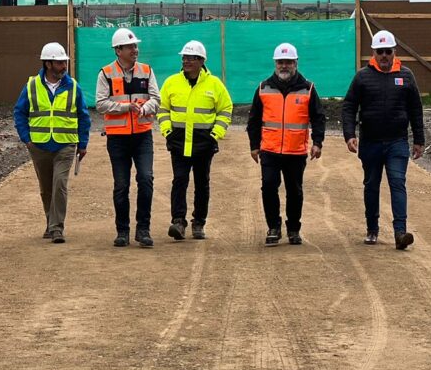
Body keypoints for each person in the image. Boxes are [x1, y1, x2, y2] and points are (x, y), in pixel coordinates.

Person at [342, 29, 425, 250]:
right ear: (374, 53)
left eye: (388, 51)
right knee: (371, 185)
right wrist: (349, 135)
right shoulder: (362, 77)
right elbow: (349, 106)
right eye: (380, 52)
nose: (384, 56)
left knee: (397, 182)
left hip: (397, 141)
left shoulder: (406, 76)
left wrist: (419, 139)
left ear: (394, 52)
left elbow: (416, 109)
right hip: (370, 142)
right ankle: (372, 228)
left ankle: (400, 232)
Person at [246, 42, 327, 246]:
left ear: (296, 63)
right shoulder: (263, 88)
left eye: (288, 62)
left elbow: (318, 117)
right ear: (275, 63)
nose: (284, 66)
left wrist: (318, 142)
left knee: (294, 191)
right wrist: (254, 145)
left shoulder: (308, 88)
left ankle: (293, 229)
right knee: (269, 187)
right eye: (281, 62)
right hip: (270, 150)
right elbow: (254, 119)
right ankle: (273, 227)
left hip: (295, 151)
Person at [13, 42, 91, 243]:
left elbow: (83, 116)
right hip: (39, 146)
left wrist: (83, 143)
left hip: (65, 145)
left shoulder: (73, 86)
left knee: (59, 185)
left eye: (64, 62)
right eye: (59, 63)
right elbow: (19, 112)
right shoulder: (32, 86)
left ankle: (57, 228)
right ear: (48, 64)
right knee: (46, 188)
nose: (64, 66)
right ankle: (50, 222)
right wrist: (27, 139)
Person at [157, 40, 233, 241]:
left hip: (203, 144)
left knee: (202, 183)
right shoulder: (171, 83)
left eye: (191, 58)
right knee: (179, 181)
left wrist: (215, 135)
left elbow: (225, 110)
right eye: (184, 57)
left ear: (201, 61)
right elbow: (163, 108)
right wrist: (167, 132)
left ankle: (199, 223)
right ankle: (178, 222)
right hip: (179, 142)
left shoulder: (214, 84)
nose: (186, 61)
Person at [95, 27, 161, 248]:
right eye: (130, 46)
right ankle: (122, 231)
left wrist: (144, 109)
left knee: (146, 179)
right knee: (121, 185)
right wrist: (125, 107)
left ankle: (143, 229)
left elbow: (156, 98)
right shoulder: (105, 73)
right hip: (117, 138)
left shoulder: (147, 70)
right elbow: (101, 103)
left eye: (135, 46)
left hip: (143, 136)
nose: (135, 50)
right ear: (118, 50)